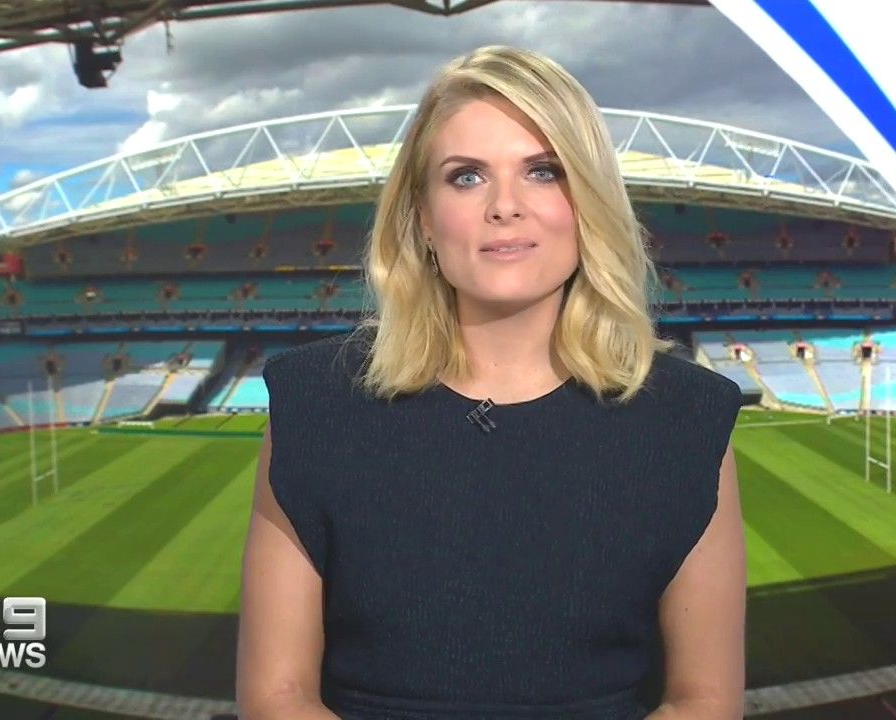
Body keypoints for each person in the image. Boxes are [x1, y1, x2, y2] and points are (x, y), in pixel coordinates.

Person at [237, 46, 744, 720]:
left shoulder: (688, 417)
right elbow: (276, 698)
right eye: (467, 176)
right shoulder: (312, 403)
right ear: (423, 217)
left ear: (589, 202)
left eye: (543, 171)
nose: (505, 206)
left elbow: (703, 702)